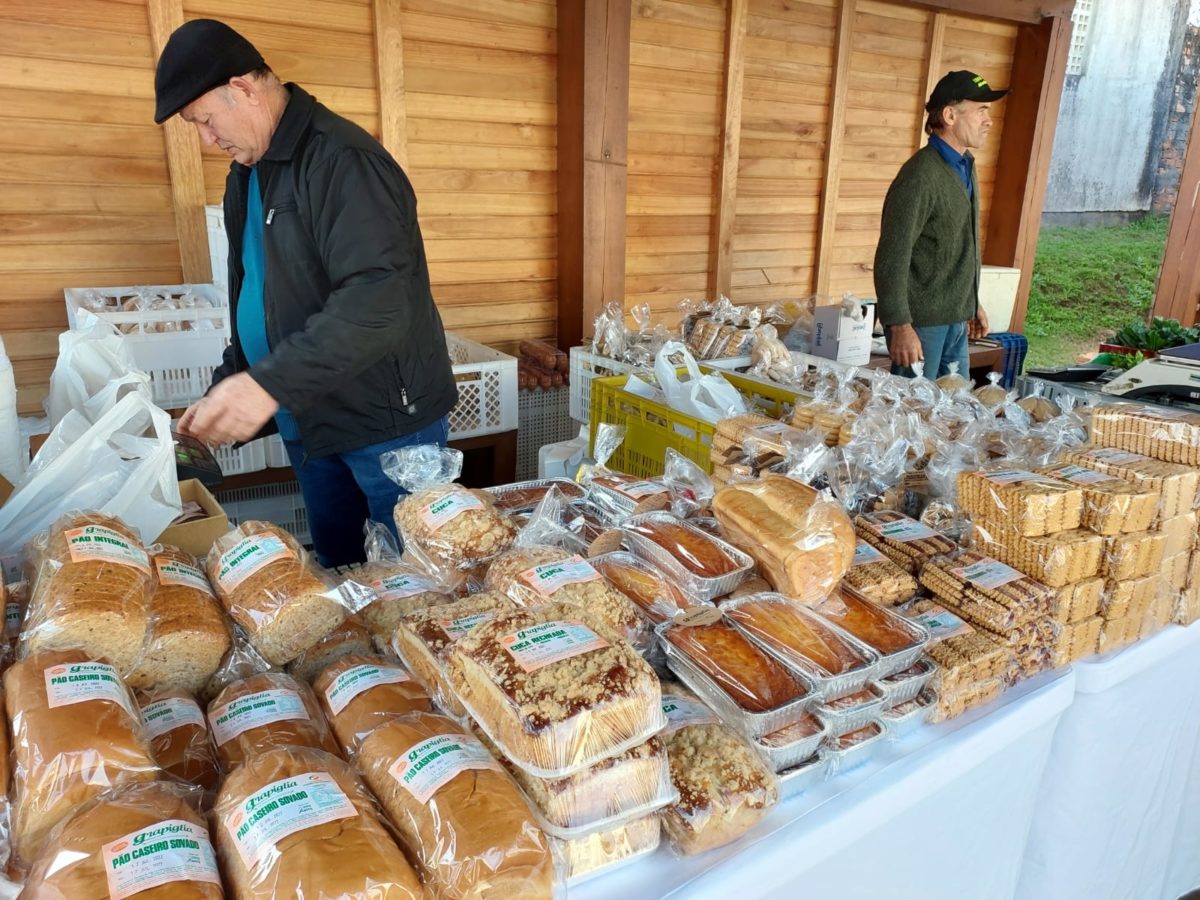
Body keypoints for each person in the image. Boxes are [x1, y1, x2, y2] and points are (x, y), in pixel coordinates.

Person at [153, 19, 458, 568]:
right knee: (342, 578)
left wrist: (266, 385)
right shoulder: (246, 175)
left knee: (416, 584)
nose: (205, 138)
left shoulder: (343, 160)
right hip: (311, 422)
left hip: (386, 426)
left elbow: (378, 301)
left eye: (204, 120)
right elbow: (262, 295)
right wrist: (229, 384)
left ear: (243, 89)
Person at [873, 70, 1009, 379]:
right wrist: (899, 325)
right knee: (913, 415)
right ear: (949, 115)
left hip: (956, 321)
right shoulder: (920, 176)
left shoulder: (965, 165)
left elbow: (960, 243)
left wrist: (971, 303)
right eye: (981, 110)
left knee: (951, 411)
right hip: (922, 326)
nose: (988, 120)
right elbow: (892, 256)